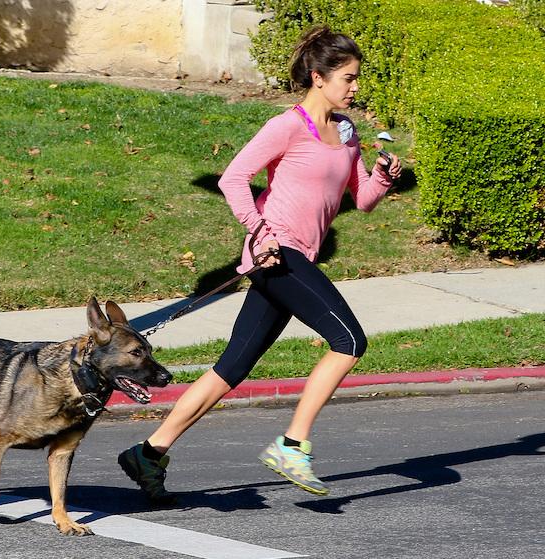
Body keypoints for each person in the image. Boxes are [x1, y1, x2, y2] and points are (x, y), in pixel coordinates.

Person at [118, 25, 402, 503]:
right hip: (277, 252)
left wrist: (381, 177)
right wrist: (260, 230)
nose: (355, 87)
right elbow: (233, 179)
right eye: (348, 78)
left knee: (233, 367)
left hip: (296, 256)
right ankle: (293, 445)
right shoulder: (287, 126)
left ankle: (149, 451)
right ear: (318, 77)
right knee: (349, 340)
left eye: (356, 78)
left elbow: (364, 199)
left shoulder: (348, 131)